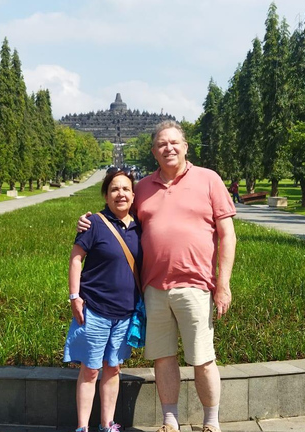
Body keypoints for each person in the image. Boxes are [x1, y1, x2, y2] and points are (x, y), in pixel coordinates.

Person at [78, 120, 237, 432]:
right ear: (153, 152)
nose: (169, 148)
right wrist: (89, 220)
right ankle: (170, 421)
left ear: (185, 146)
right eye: (162, 144)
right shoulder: (144, 188)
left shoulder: (209, 180)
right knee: (163, 358)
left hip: (196, 285)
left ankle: (211, 423)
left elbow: (227, 235)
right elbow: (118, 212)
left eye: (174, 142)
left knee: (203, 358)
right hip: (154, 288)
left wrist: (224, 284)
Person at [65, 168, 142, 432]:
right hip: (95, 310)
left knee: (113, 368)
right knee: (90, 370)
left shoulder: (138, 226)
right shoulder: (94, 223)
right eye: (114, 189)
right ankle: (82, 427)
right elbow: (76, 259)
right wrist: (74, 296)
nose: (120, 194)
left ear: (133, 195)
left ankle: (107, 424)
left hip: (125, 313)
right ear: (106, 195)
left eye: (125, 189)